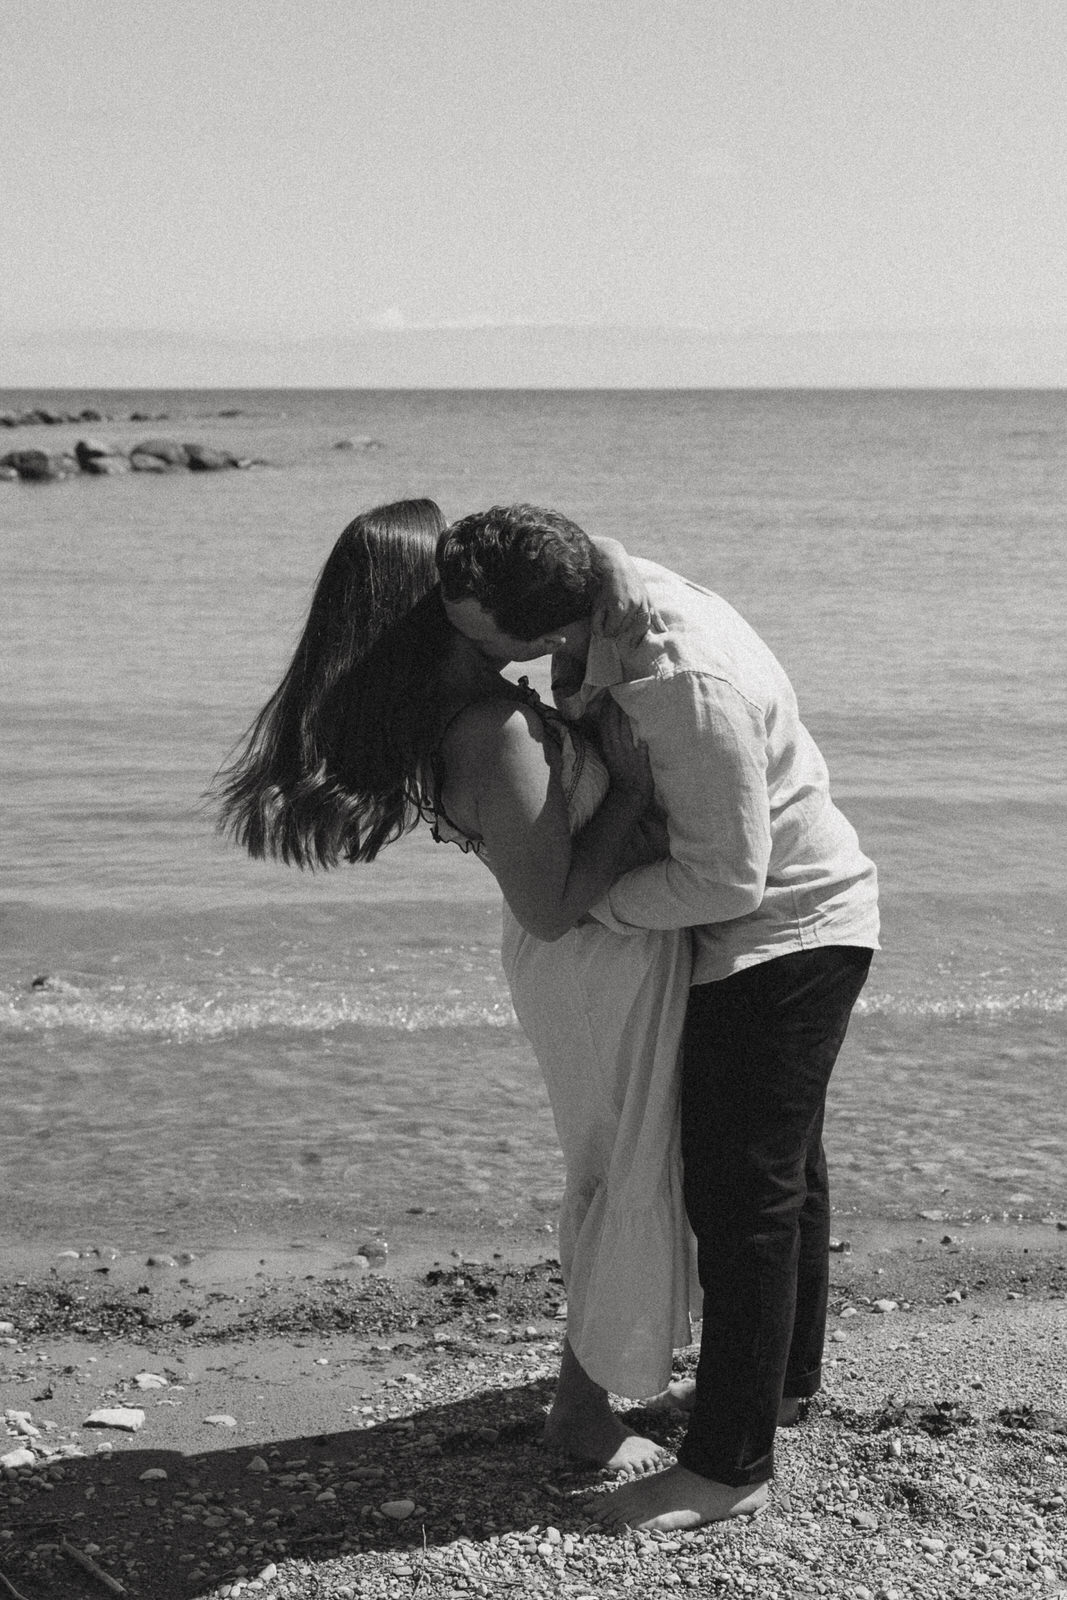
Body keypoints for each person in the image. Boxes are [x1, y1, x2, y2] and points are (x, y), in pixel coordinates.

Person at [214, 498, 699, 1472]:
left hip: (591, 963)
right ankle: (583, 1412)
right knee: (628, 1168)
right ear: (419, 605)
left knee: (630, 1163)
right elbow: (551, 902)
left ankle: (613, 1367)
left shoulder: (471, 709)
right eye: (447, 577)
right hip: (592, 962)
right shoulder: (494, 731)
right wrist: (639, 798)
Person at [436, 503, 880, 1531]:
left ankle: (727, 1467)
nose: (463, 647)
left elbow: (726, 879)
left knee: (740, 1195)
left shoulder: (675, 682)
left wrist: (587, 904)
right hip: (778, 919)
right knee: (779, 1170)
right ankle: (778, 1389)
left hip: (785, 933)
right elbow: (581, 549)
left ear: (542, 630)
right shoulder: (595, 600)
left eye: (473, 631)